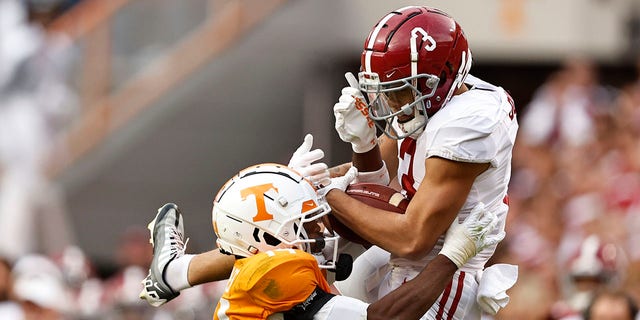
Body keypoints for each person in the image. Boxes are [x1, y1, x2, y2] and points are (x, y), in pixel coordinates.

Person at [321, 5, 519, 319]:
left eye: (399, 91)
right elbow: (372, 186)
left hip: (442, 276)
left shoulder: (466, 123)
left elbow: (413, 237)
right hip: (401, 256)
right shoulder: (433, 100)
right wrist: (364, 144)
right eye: (384, 91)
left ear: (437, 82)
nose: (391, 104)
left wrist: (327, 195)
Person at [141, 163, 503, 319]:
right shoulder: (276, 275)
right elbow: (386, 318)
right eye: (307, 226)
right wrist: (450, 257)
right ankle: (176, 271)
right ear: (263, 240)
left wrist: (298, 183)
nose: (322, 233)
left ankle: (176, 271)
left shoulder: (260, 260)